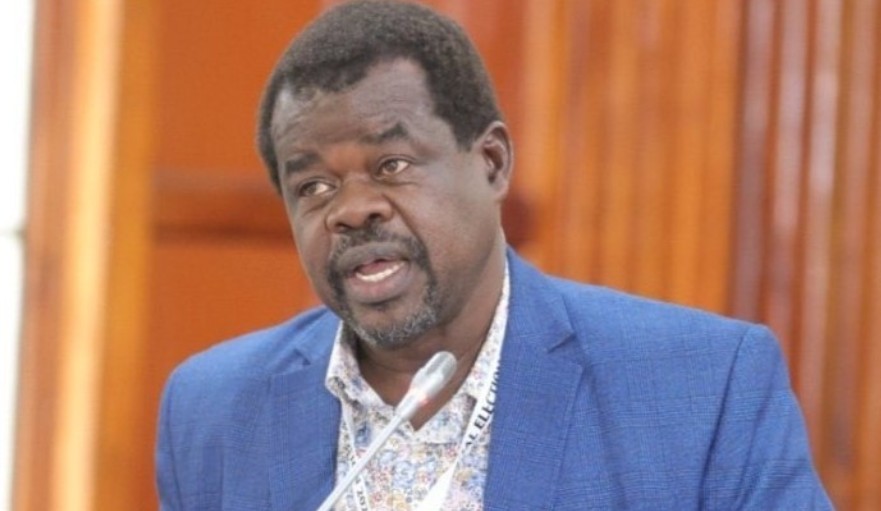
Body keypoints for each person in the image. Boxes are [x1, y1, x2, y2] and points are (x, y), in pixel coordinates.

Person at [155, 1, 833, 509]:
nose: (352, 209)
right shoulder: (213, 410)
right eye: (314, 186)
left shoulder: (699, 388)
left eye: (392, 164)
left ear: (491, 163)